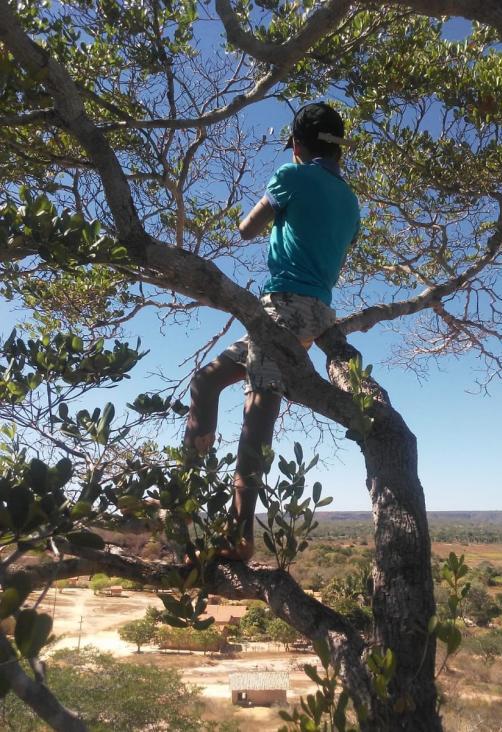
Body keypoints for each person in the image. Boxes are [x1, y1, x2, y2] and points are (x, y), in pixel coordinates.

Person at [184, 102, 360, 560]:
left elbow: (246, 229)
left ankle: (238, 535)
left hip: (282, 309)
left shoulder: (292, 176)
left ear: (298, 146)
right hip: (317, 314)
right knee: (205, 380)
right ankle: (188, 494)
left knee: (255, 419)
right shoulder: (351, 201)